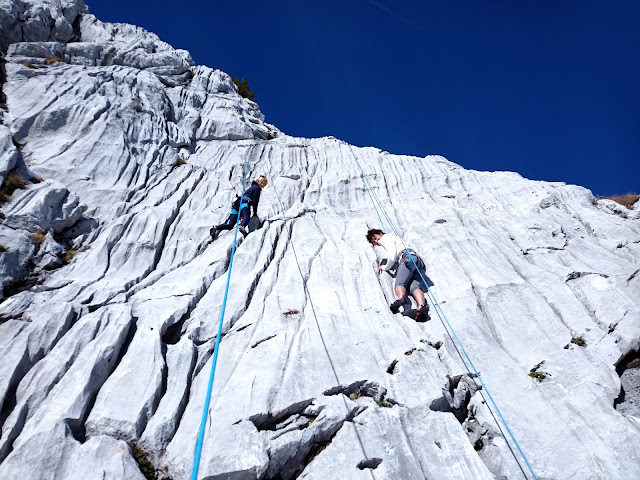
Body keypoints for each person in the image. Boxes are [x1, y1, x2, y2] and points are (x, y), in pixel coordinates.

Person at [366, 228, 429, 322]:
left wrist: (384, 267)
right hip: (417, 261)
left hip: (406, 258)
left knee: (400, 284)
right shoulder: (395, 238)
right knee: (414, 287)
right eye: (374, 241)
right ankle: (421, 308)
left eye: (375, 237)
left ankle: (400, 299)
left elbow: (392, 256)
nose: (376, 240)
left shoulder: (386, 238)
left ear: (380, 233)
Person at [210, 175, 268, 240]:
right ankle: (242, 226)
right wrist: (255, 213)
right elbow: (255, 201)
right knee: (246, 217)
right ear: (258, 181)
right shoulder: (257, 188)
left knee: (230, 225)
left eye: (264, 184)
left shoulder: (251, 187)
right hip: (244, 202)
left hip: (236, 204)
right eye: (262, 183)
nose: (262, 185)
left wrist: (240, 214)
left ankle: (216, 228)